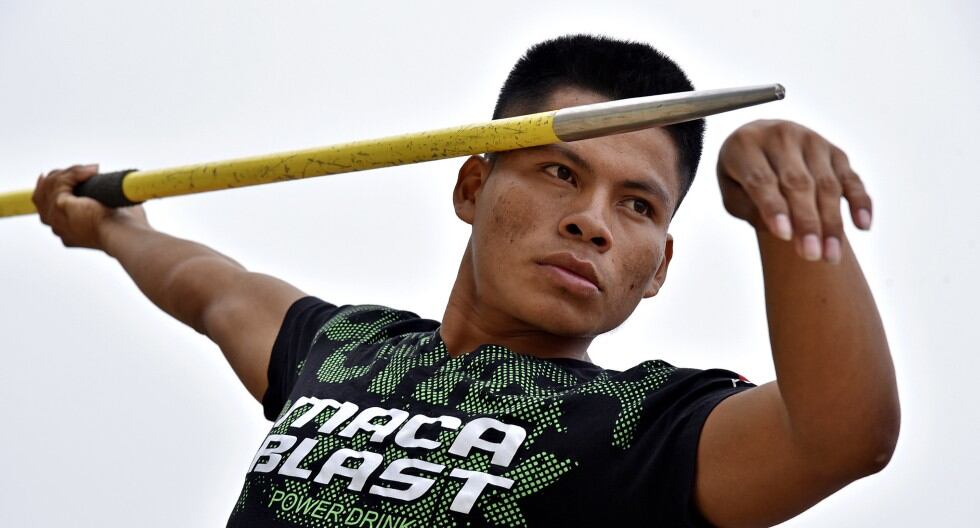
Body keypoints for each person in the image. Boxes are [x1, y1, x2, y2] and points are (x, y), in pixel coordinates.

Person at [31, 34, 899, 527]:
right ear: (473, 186)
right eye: (560, 174)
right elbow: (210, 284)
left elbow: (842, 437)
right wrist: (107, 224)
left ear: (659, 266)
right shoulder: (342, 348)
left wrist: (790, 224)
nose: (594, 219)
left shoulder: (649, 428)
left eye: (638, 204)